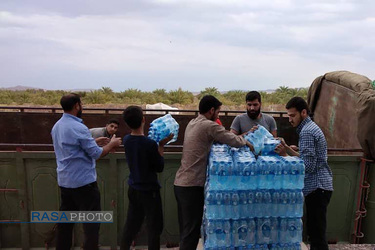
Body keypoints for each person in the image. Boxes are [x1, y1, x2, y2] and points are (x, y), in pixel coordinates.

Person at [174, 95, 253, 250]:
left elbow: (217, 139)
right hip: (192, 185)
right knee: (191, 233)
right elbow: (233, 139)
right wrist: (248, 142)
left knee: (185, 231)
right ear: (211, 110)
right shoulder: (209, 125)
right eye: (218, 111)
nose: (218, 115)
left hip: (180, 183)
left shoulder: (193, 122)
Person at [51, 93, 122, 250]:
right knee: (91, 225)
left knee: (66, 224)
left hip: (65, 182)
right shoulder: (79, 127)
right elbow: (97, 154)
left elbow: (70, 149)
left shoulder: (57, 126)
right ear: (77, 105)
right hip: (84, 184)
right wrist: (112, 144)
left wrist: (93, 142)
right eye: (81, 104)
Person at [274, 96, 333, 250]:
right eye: (288, 116)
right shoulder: (310, 128)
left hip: (317, 188)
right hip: (320, 187)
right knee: (316, 232)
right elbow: (305, 158)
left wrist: (285, 157)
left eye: (293, 115)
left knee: (317, 236)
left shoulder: (307, 132)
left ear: (304, 113)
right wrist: (287, 148)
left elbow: (308, 166)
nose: (289, 120)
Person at [120, 106, 173, 250]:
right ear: (144, 120)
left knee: (131, 226)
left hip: (134, 189)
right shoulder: (149, 144)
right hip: (150, 192)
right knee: (154, 229)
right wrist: (161, 145)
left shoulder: (127, 140)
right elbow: (159, 167)